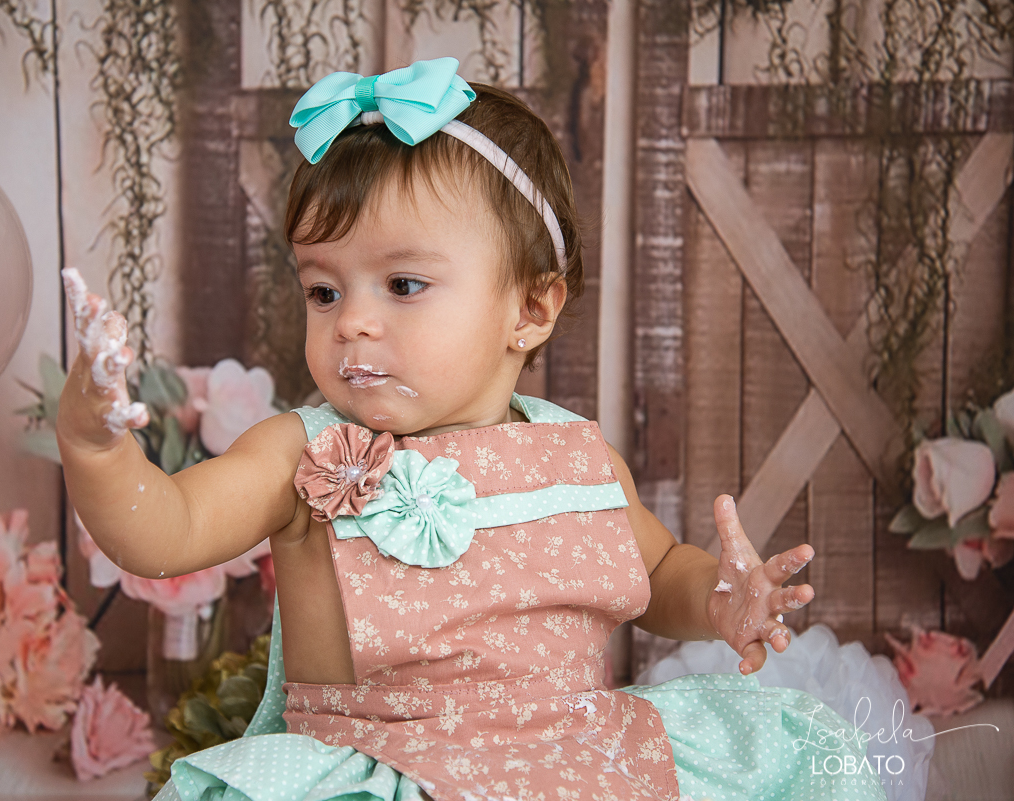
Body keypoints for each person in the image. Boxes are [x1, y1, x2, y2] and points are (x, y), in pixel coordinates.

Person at [57, 58, 885, 801]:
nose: (352, 322)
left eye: (403, 284)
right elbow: (164, 529)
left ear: (530, 307)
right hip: (377, 768)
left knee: (789, 755)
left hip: (577, 764)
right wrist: (97, 447)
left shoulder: (575, 457)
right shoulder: (299, 453)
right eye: (324, 291)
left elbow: (660, 569)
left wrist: (716, 597)